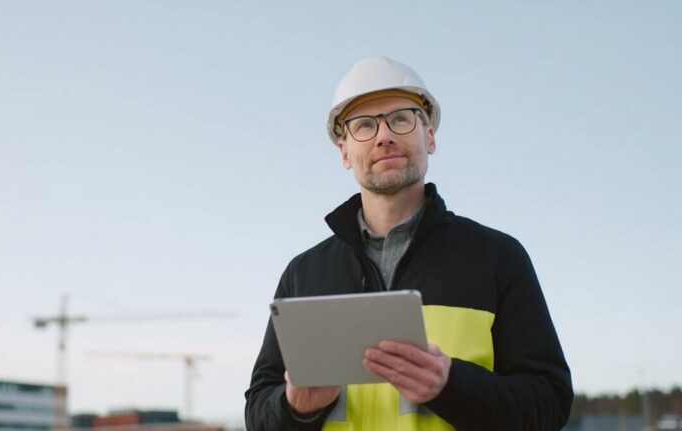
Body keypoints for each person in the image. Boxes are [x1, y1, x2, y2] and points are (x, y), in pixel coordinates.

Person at [244, 56, 572, 430]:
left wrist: (452, 386)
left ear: (429, 137)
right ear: (344, 153)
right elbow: (258, 412)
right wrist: (294, 408)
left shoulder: (498, 258)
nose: (384, 135)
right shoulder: (303, 276)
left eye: (400, 118)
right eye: (364, 125)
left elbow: (550, 404)